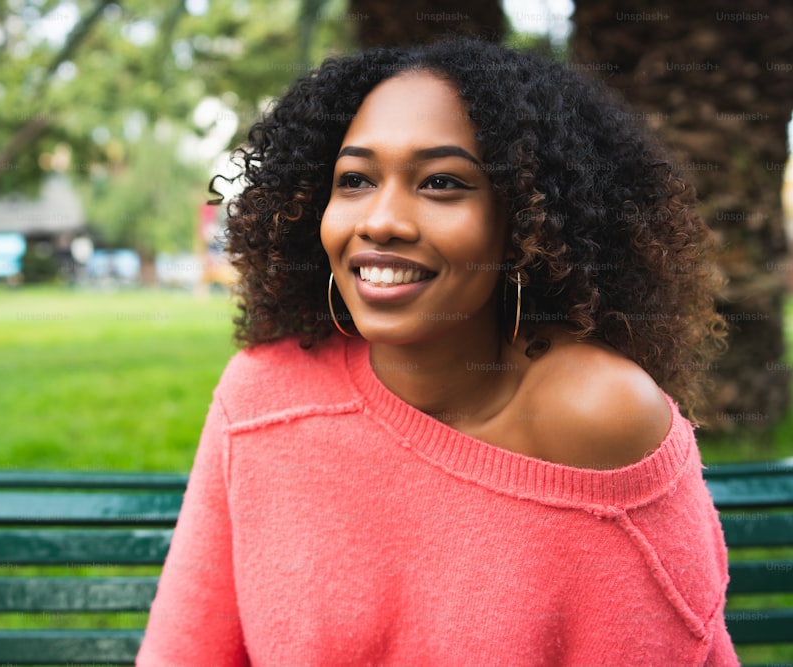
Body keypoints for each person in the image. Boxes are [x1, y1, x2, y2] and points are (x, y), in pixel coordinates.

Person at [138, 37, 737, 666]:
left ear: (525, 221)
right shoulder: (264, 397)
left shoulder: (599, 416)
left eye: (442, 182)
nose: (382, 220)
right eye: (356, 180)